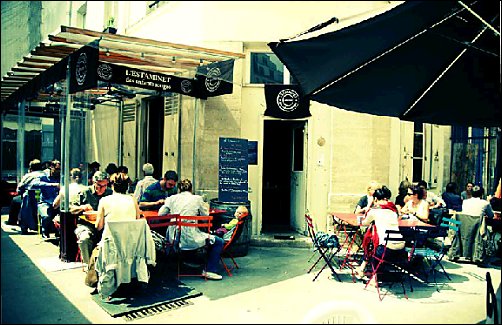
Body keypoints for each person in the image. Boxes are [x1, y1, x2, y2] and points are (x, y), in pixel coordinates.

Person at [159, 179, 224, 280]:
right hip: (191, 237)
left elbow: (161, 214)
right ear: (191, 189)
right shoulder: (197, 199)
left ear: (179, 189)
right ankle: (210, 270)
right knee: (219, 241)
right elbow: (205, 215)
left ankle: (174, 265)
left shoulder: (172, 198)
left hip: (173, 237)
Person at [355, 186, 406, 279]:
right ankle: (363, 270)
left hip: (386, 250)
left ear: (375, 199)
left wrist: (369, 206)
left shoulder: (374, 211)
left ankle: (374, 279)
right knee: (375, 242)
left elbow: (364, 223)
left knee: (372, 248)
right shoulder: (393, 211)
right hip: (401, 249)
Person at [71, 171, 112, 264]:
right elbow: (71, 209)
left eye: (105, 186)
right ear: (94, 183)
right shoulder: (85, 192)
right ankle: (89, 265)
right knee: (84, 239)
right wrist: (82, 207)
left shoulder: (109, 192)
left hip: (105, 226)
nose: (103, 189)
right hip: (86, 225)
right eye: (100, 186)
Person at [30, 159, 61, 238]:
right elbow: (35, 184)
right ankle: (45, 231)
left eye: (60, 169)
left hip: (58, 203)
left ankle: (59, 232)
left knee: (65, 214)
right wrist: (52, 185)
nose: (58, 171)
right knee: (46, 216)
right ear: (51, 167)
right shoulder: (43, 175)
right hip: (45, 202)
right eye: (57, 169)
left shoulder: (61, 177)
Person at [15, 159, 45, 234]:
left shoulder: (29, 175)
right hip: (43, 195)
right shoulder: (44, 174)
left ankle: (24, 227)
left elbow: (20, 187)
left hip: (31, 194)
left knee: (25, 209)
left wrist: (19, 192)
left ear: (30, 168)